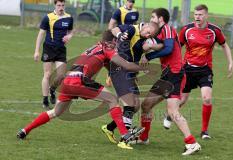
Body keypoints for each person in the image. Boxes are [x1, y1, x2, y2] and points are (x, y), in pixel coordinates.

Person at [17, 30, 146, 150]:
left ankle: (25, 130)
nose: (117, 45)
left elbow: (111, 68)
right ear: (109, 43)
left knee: (55, 112)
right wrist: (144, 68)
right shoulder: (107, 48)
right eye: (115, 42)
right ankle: (124, 136)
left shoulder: (93, 48)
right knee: (112, 99)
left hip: (68, 81)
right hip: (80, 81)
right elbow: (126, 65)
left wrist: (53, 88)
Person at [131, 8, 201, 156]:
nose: (151, 19)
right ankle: (144, 138)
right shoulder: (158, 32)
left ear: (161, 19)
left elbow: (168, 49)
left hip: (175, 74)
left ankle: (192, 142)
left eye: (153, 17)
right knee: (146, 105)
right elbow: (148, 45)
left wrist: (149, 56)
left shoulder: (168, 29)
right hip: (166, 75)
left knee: (172, 111)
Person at [163, 4, 233, 139]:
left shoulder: (214, 31)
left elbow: (224, 45)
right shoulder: (186, 30)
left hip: (205, 69)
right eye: (195, 14)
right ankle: (170, 114)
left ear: (206, 16)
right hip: (187, 69)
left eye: (200, 15)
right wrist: (170, 64)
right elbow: (177, 48)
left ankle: (204, 131)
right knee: (182, 100)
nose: (197, 17)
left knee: (207, 98)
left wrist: (231, 62)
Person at [101, 22, 159, 143]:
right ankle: (125, 137)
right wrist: (120, 34)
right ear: (146, 25)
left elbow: (138, 53)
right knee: (130, 103)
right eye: (148, 32)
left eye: (150, 35)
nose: (148, 35)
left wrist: (144, 57)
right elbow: (115, 29)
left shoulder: (144, 39)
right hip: (120, 70)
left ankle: (109, 128)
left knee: (136, 106)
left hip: (130, 73)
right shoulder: (132, 29)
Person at [34, 0, 74, 108]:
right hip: (49, 48)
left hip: (61, 50)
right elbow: (41, 34)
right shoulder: (48, 17)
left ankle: (52, 89)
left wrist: (69, 36)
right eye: (59, 5)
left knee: (61, 75)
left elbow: (70, 31)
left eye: (62, 5)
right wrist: (37, 51)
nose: (61, 7)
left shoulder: (69, 18)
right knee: (47, 74)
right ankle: (45, 100)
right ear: (55, 5)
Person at [106, 0, 139, 87]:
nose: (131, 3)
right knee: (120, 57)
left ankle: (132, 76)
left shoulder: (135, 12)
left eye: (132, 2)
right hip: (121, 37)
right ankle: (111, 74)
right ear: (126, 1)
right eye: (129, 1)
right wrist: (111, 37)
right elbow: (111, 25)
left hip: (132, 38)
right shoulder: (119, 11)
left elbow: (135, 24)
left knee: (133, 56)